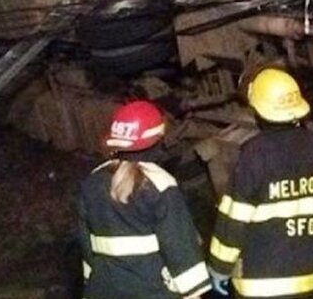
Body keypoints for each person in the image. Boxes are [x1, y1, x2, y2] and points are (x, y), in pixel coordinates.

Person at [208, 68, 313, 298]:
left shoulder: (254, 154)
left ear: (258, 111)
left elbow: (234, 219)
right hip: (306, 279)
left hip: (258, 283)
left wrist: (220, 267)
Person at [76, 100, 212, 299]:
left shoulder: (92, 182)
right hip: (151, 289)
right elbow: (180, 245)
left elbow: (86, 244)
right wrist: (193, 291)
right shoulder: (160, 184)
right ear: (156, 139)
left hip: (103, 288)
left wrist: (92, 280)